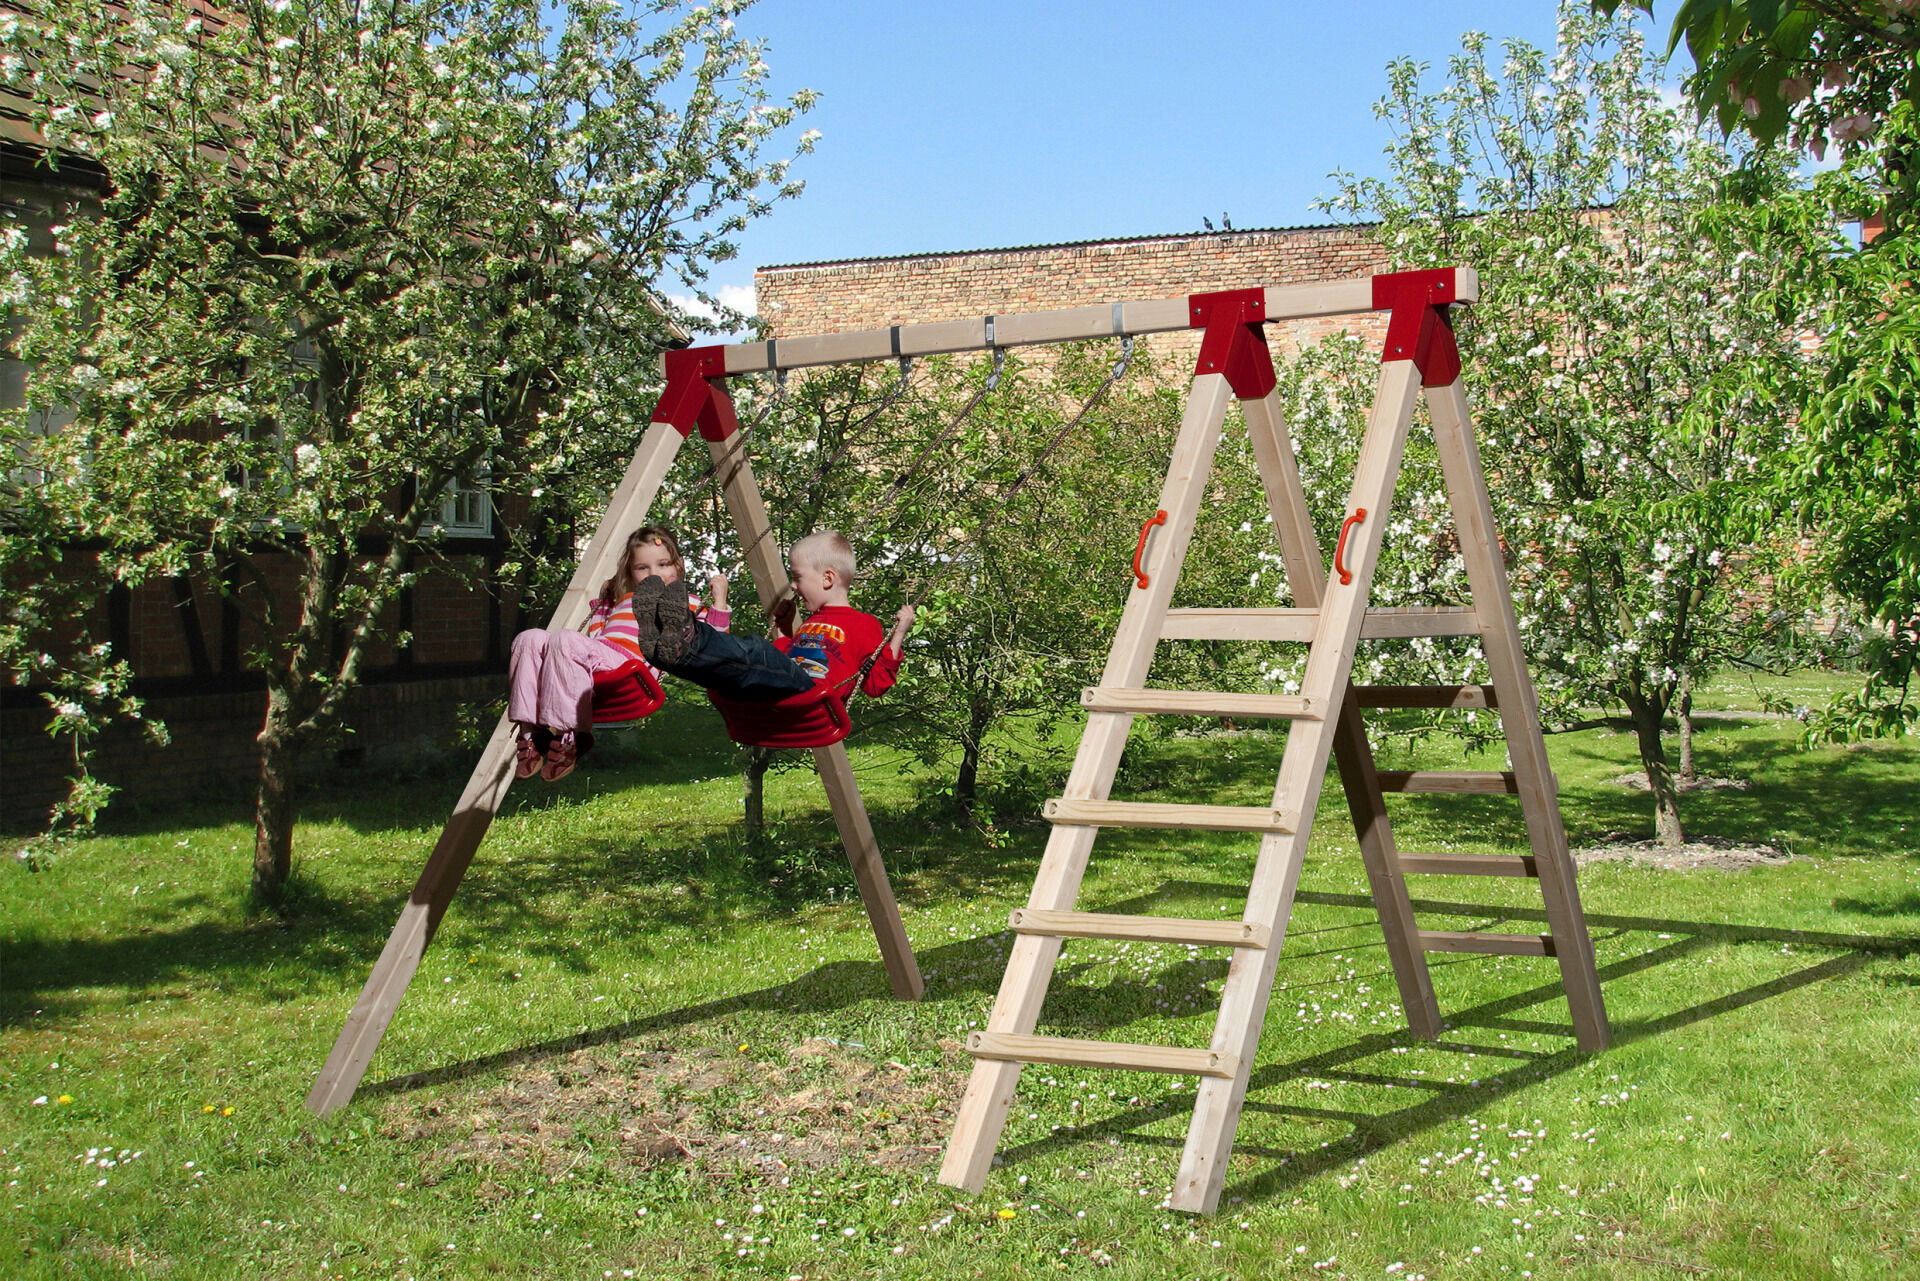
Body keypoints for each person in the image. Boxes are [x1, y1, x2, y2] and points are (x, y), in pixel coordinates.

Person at [508, 525, 728, 781]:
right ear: (631, 572)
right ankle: (531, 732)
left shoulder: (686, 601)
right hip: (601, 657)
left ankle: (571, 737)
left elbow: (717, 644)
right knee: (529, 638)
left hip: (632, 668)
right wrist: (603, 604)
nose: (653, 574)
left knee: (563, 638)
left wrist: (720, 602)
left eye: (663, 564)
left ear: (678, 566)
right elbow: (595, 638)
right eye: (642, 568)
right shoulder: (623, 600)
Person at [633, 530, 913, 706]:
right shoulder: (811, 623)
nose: (793, 585)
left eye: (798, 578)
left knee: (753, 650)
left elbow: (877, 686)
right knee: (731, 669)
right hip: (779, 683)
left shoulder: (864, 625)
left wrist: (898, 633)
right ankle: (669, 653)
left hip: (809, 692)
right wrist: (782, 629)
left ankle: (689, 636)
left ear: (828, 578)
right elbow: (783, 658)